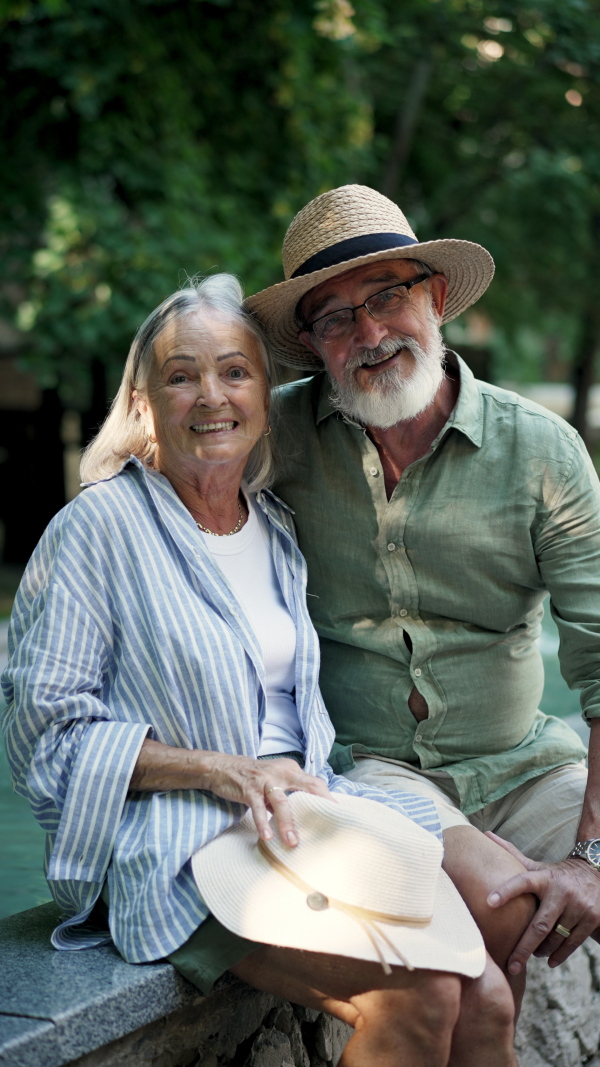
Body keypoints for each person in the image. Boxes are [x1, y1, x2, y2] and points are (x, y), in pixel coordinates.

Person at [1, 275, 523, 1067]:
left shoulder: (275, 528)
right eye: (182, 375)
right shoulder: (96, 530)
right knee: (420, 992)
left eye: (234, 372)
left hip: (309, 819)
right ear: (144, 402)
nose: (211, 395)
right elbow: (45, 739)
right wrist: (219, 771)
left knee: (486, 994)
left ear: (264, 393)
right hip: (182, 840)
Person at [245, 182, 600, 984]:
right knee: (510, 912)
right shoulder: (277, 438)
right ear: (313, 343)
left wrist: (591, 853)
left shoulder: (542, 453)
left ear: (435, 297)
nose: (368, 333)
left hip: (525, 762)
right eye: (335, 317)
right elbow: (171, 457)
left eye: (386, 297)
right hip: (371, 771)